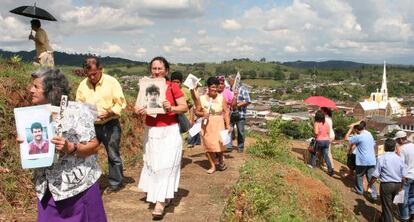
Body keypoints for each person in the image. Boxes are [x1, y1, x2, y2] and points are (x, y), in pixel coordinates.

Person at [24, 67, 106, 221]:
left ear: (51, 90)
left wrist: (72, 148)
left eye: (36, 87)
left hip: (78, 189)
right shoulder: (34, 115)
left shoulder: (77, 111)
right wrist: (25, 144)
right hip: (48, 189)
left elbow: (94, 146)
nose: (30, 90)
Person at [134, 56, 188, 219]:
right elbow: (137, 106)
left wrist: (171, 107)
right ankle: (164, 194)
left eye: (160, 69)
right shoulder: (145, 86)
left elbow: (184, 106)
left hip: (170, 131)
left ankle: (160, 203)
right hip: (151, 131)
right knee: (154, 164)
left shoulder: (172, 87)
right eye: (154, 69)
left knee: (167, 165)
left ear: (166, 71)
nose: (156, 72)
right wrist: (139, 110)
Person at [76, 56, 127, 192]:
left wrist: (110, 112)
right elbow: (79, 104)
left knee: (112, 154)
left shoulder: (112, 82)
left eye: (94, 73)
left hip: (110, 123)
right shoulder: (82, 85)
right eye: (89, 75)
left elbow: (120, 103)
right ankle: (90, 183)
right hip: (91, 126)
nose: (92, 77)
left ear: (100, 69)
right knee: (88, 153)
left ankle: (115, 183)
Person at [195, 77, 231, 174]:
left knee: (219, 145)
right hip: (207, 125)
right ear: (208, 87)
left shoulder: (221, 98)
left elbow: (226, 112)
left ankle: (221, 160)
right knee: (208, 145)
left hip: (219, 123)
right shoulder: (201, 99)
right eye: (213, 87)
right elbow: (197, 112)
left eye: (216, 87)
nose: (215, 89)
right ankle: (212, 165)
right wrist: (203, 114)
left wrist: (228, 125)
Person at [368, 139, 406, 222]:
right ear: (394, 148)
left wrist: (370, 184)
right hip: (397, 185)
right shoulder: (399, 159)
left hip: (387, 185)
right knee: (388, 205)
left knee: (387, 207)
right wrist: (401, 187)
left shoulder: (382, 158)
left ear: (385, 147)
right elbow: (403, 176)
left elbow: (375, 174)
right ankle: (382, 219)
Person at [345, 121, 378, 200]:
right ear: (364, 127)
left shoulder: (359, 137)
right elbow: (373, 144)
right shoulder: (369, 134)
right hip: (372, 160)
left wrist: (350, 128)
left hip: (362, 161)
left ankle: (359, 190)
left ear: (356, 130)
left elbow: (346, 138)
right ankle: (374, 195)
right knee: (370, 178)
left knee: (359, 175)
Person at [170, 71, 194, 148]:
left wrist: (191, 119)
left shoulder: (186, 91)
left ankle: (180, 159)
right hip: (172, 121)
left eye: (178, 82)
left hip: (184, 120)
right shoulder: (168, 91)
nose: (176, 84)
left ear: (181, 82)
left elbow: (191, 106)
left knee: (183, 142)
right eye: (174, 82)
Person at [228, 75, 251, 153]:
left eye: (230, 81)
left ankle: (240, 147)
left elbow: (247, 101)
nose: (229, 82)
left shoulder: (243, 89)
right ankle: (229, 146)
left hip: (240, 114)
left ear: (235, 81)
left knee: (240, 132)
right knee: (229, 130)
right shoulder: (229, 90)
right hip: (230, 114)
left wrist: (236, 105)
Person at [395, 131, 414, 221]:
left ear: (401, 139)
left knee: (403, 198)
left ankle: (404, 218)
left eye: (397, 140)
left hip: (407, 176)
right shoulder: (413, 146)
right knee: (412, 196)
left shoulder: (402, 149)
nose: (397, 142)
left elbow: (400, 165)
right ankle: (412, 213)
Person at [309, 111, 334, 176]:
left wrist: (314, 133)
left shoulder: (316, 123)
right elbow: (328, 132)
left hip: (319, 141)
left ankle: (312, 165)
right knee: (326, 156)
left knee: (314, 152)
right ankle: (330, 170)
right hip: (326, 141)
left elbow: (316, 132)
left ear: (317, 117)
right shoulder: (326, 123)